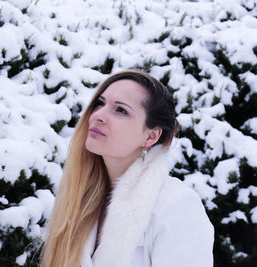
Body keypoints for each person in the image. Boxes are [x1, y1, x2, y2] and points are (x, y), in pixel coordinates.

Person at [40, 69, 214, 267]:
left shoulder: (177, 206)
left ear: (150, 136)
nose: (98, 115)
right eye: (100, 103)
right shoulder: (79, 199)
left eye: (121, 110)